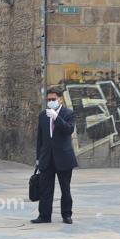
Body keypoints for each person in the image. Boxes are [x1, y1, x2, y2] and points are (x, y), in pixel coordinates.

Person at [32, 87, 78, 225]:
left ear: (60, 99)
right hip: (47, 158)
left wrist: (56, 117)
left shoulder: (68, 113)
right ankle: (44, 216)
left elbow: (69, 129)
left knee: (65, 189)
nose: (51, 102)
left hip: (64, 158)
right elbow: (40, 139)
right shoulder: (42, 115)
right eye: (49, 100)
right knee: (46, 189)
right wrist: (38, 158)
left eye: (53, 99)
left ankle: (67, 215)